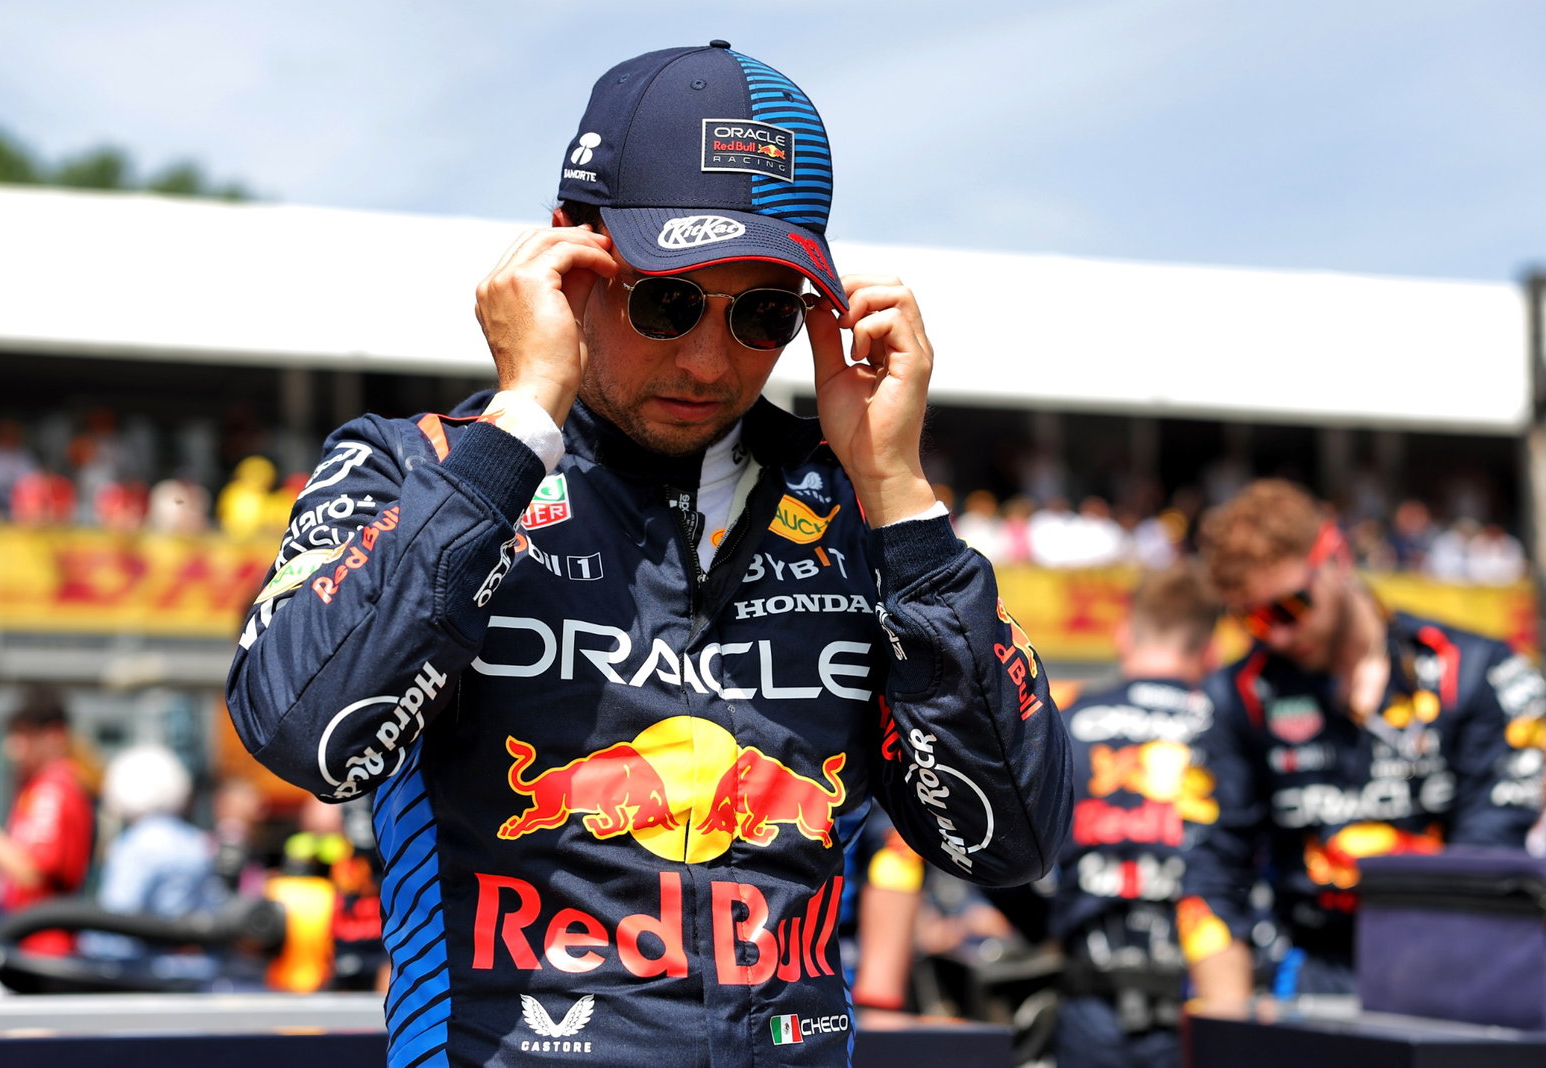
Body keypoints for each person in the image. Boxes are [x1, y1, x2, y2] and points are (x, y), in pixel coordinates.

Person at [226, 41, 1072, 1068]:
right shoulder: (415, 472)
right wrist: (517, 429)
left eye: (761, 313)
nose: (709, 359)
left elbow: (1011, 842)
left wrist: (898, 497)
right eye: (665, 301)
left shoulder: (859, 518)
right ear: (564, 258)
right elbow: (303, 737)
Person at [1178, 479, 1544, 1015]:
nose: (1275, 634)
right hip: (1312, 973)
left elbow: (1487, 863)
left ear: (1337, 556)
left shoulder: (1474, 673)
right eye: (1251, 619)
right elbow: (1212, 873)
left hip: (1458, 960)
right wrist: (1224, 1022)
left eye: (1288, 607)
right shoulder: (1236, 697)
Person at [1050, 559, 1221, 1067]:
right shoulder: (1225, 726)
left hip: (1088, 997)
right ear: (1211, 651)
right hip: (1207, 996)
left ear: (1123, 635)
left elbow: (1013, 853)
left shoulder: (1066, 718)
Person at [0, 684, 94, 955]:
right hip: (23, 940)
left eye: (24, 735)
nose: (13, 747)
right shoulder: (35, 788)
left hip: (43, 947)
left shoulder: (55, 788)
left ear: (54, 736)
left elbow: (31, 872)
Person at [79, 744, 226, 976]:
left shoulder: (133, 846)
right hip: (195, 972)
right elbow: (214, 908)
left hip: (145, 977)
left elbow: (114, 924)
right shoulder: (196, 842)